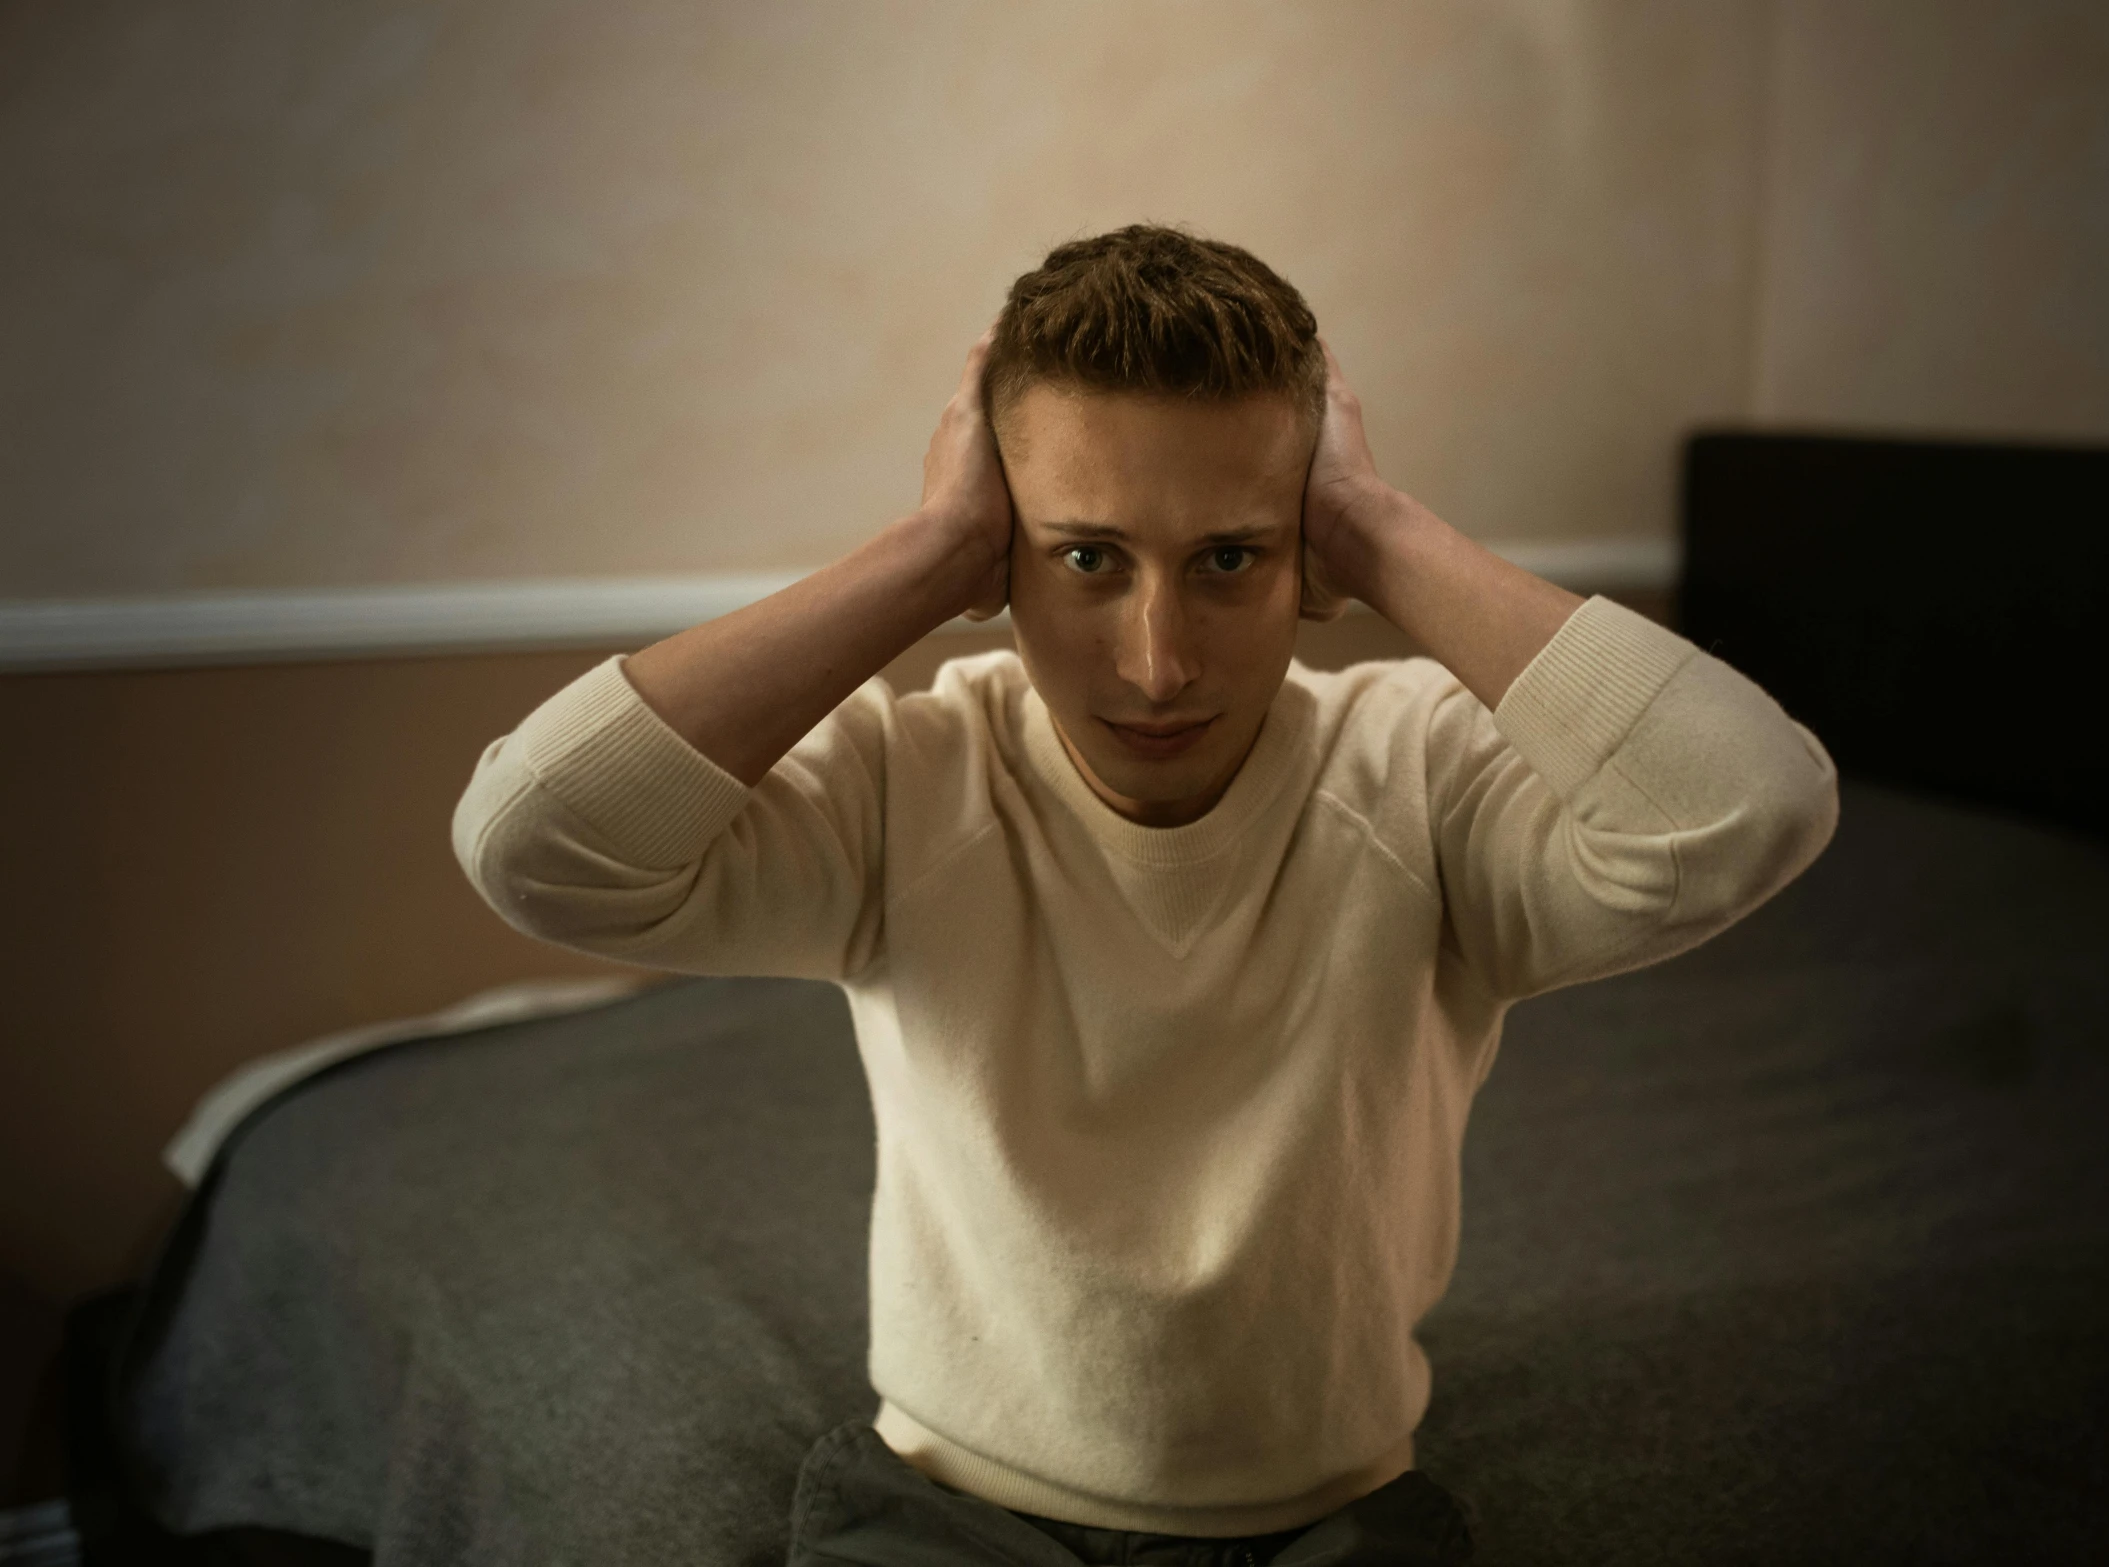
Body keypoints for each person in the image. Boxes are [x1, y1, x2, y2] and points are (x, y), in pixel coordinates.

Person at [452, 224, 1840, 1564]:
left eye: (1229, 556)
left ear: (1305, 557)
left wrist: (1370, 522)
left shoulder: (1417, 773)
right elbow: (534, 848)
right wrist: (929, 556)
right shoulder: (911, 779)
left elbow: (1748, 805)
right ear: (1005, 553)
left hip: (1332, 1519)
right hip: (947, 1509)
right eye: (1085, 558)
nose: (1157, 661)